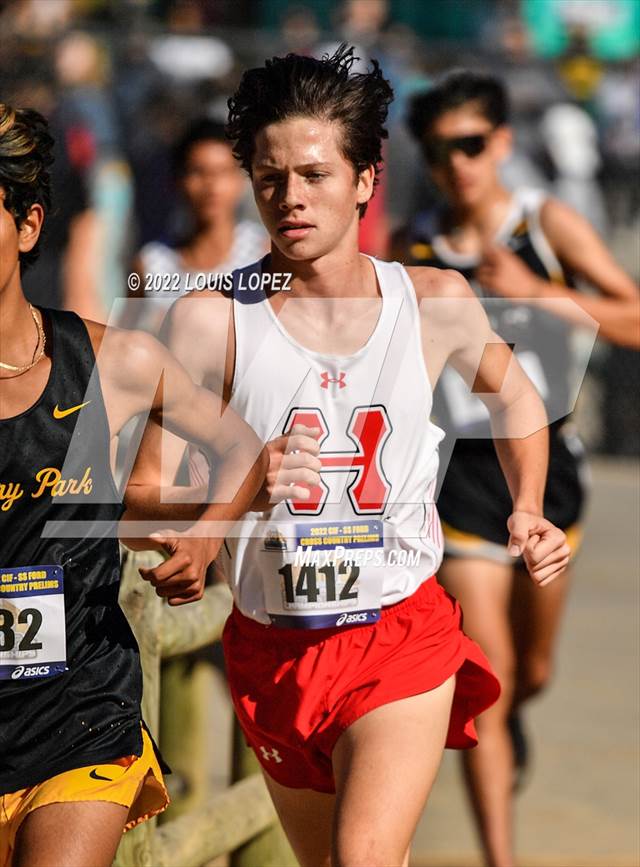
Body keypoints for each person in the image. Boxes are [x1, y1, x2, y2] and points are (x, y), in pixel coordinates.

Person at [125, 47, 570, 867]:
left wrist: (529, 503)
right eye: (270, 177)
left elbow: (517, 398)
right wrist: (234, 504)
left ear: (366, 179)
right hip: (272, 648)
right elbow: (141, 496)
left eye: (315, 174)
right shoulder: (206, 324)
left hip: (399, 630)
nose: (290, 197)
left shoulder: (431, 302)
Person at [0, 103, 267, 867]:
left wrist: (206, 529)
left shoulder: (113, 362)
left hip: (80, 717)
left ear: (28, 225)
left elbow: (240, 448)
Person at [394, 70, 639, 867]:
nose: (457, 164)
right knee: (490, 676)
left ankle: (517, 714)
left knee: (531, 668)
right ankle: (503, 855)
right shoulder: (418, 247)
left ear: (499, 143)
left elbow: (633, 318)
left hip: (550, 468)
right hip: (461, 477)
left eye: (470, 145)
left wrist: (536, 293)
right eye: (438, 152)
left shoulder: (548, 224)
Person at [124, 117, 267, 333]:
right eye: (198, 172)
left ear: (241, 180)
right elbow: (125, 341)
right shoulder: (151, 263)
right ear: (177, 181)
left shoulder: (263, 253)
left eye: (222, 172)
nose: (211, 185)